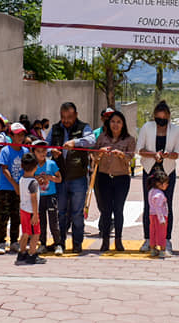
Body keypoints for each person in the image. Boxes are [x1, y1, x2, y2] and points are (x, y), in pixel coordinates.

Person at [47, 102, 95, 254]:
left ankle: (77, 243)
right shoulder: (55, 128)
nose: (65, 120)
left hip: (78, 177)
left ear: (76, 115)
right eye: (63, 117)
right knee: (60, 212)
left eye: (69, 117)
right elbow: (45, 146)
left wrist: (75, 142)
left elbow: (91, 141)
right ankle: (60, 242)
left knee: (77, 213)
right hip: (59, 178)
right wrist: (51, 152)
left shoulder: (84, 127)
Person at [135, 100, 179, 255]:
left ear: (168, 117)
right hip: (150, 172)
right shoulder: (147, 128)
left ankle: (166, 240)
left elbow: (177, 154)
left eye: (164, 119)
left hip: (167, 172)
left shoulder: (175, 130)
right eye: (158, 118)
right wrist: (153, 155)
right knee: (149, 206)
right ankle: (149, 239)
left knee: (166, 206)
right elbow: (139, 150)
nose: (161, 122)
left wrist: (169, 155)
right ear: (154, 117)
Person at [93, 110, 136, 251]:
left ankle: (118, 240)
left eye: (118, 122)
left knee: (118, 210)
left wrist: (122, 155)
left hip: (121, 179)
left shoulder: (129, 140)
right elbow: (94, 156)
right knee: (105, 211)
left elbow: (130, 158)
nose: (115, 125)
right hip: (104, 177)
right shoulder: (102, 138)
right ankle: (105, 240)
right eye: (112, 121)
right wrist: (100, 152)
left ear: (123, 124)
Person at [0, 123, 31, 254]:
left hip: (20, 189)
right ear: (10, 136)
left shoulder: (25, 151)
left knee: (17, 216)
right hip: (6, 188)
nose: (20, 137)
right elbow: (4, 169)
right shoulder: (5, 150)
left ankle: (14, 241)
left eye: (22, 134)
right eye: (17, 135)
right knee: (3, 216)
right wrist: (15, 184)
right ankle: (0, 241)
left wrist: (23, 186)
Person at [32, 139, 63, 254]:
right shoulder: (33, 165)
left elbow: (59, 179)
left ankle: (58, 243)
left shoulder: (51, 164)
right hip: (39, 197)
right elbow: (28, 178)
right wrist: (36, 179)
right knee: (41, 222)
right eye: (39, 151)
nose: (42, 153)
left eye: (44, 151)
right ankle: (43, 243)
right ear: (34, 152)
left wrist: (50, 178)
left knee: (53, 221)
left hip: (51, 196)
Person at [15, 152, 44, 265]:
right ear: (36, 167)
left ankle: (22, 253)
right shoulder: (33, 183)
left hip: (23, 209)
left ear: (22, 166)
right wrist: (36, 214)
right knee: (36, 234)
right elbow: (34, 199)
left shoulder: (22, 179)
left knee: (25, 233)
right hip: (31, 211)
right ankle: (32, 254)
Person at [147, 171, 170, 258]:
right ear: (158, 183)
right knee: (162, 233)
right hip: (160, 216)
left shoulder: (151, 191)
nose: (167, 185)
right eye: (165, 183)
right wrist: (161, 219)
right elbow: (158, 207)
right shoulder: (159, 194)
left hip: (152, 215)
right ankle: (163, 250)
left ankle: (153, 249)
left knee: (153, 232)